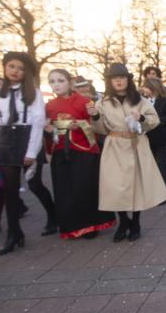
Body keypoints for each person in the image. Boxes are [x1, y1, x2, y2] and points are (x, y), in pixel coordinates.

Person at [88, 63, 166, 242]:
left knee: (136, 185)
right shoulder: (103, 103)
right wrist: (95, 117)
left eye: (122, 77)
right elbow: (100, 129)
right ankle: (123, 221)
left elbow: (153, 121)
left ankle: (136, 223)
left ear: (128, 79)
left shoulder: (140, 100)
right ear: (109, 81)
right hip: (114, 147)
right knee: (116, 187)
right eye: (114, 78)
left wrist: (141, 118)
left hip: (136, 145)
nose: (118, 80)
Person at [0, 52, 57, 255]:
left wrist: (32, 152)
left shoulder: (33, 92)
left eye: (20, 68)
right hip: (7, 141)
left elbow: (37, 123)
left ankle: (53, 216)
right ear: (5, 68)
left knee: (35, 185)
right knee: (10, 190)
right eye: (11, 66)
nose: (15, 71)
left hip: (28, 139)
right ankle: (14, 233)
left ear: (26, 71)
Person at [45, 68, 116, 239]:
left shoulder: (85, 101)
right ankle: (71, 226)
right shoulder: (49, 106)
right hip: (61, 152)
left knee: (84, 189)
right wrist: (57, 127)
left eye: (60, 81)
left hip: (84, 152)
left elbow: (97, 127)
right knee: (64, 191)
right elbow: (47, 128)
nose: (56, 85)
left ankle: (91, 226)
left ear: (69, 82)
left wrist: (83, 123)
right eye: (52, 81)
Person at [141, 77, 166, 190]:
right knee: (151, 165)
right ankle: (159, 186)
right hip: (148, 137)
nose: (143, 89)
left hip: (161, 138)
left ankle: (162, 190)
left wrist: (158, 122)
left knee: (161, 165)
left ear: (152, 88)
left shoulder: (164, 101)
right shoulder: (143, 101)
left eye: (145, 87)